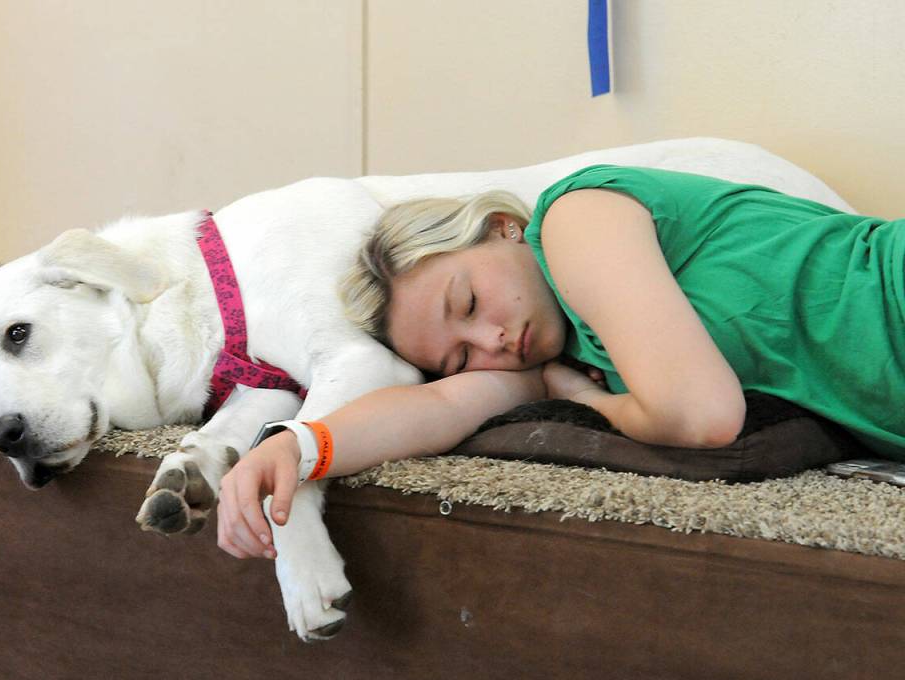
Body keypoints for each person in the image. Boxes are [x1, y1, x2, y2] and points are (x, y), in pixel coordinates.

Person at [215, 164, 905, 560]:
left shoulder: (577, 217)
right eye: (460, 355)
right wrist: (300, 446)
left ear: (502, 228)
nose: (490, 342)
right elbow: (436, 410)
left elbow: (701, 416)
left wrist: (593, 400)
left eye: (470, 299)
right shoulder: (552, 350)